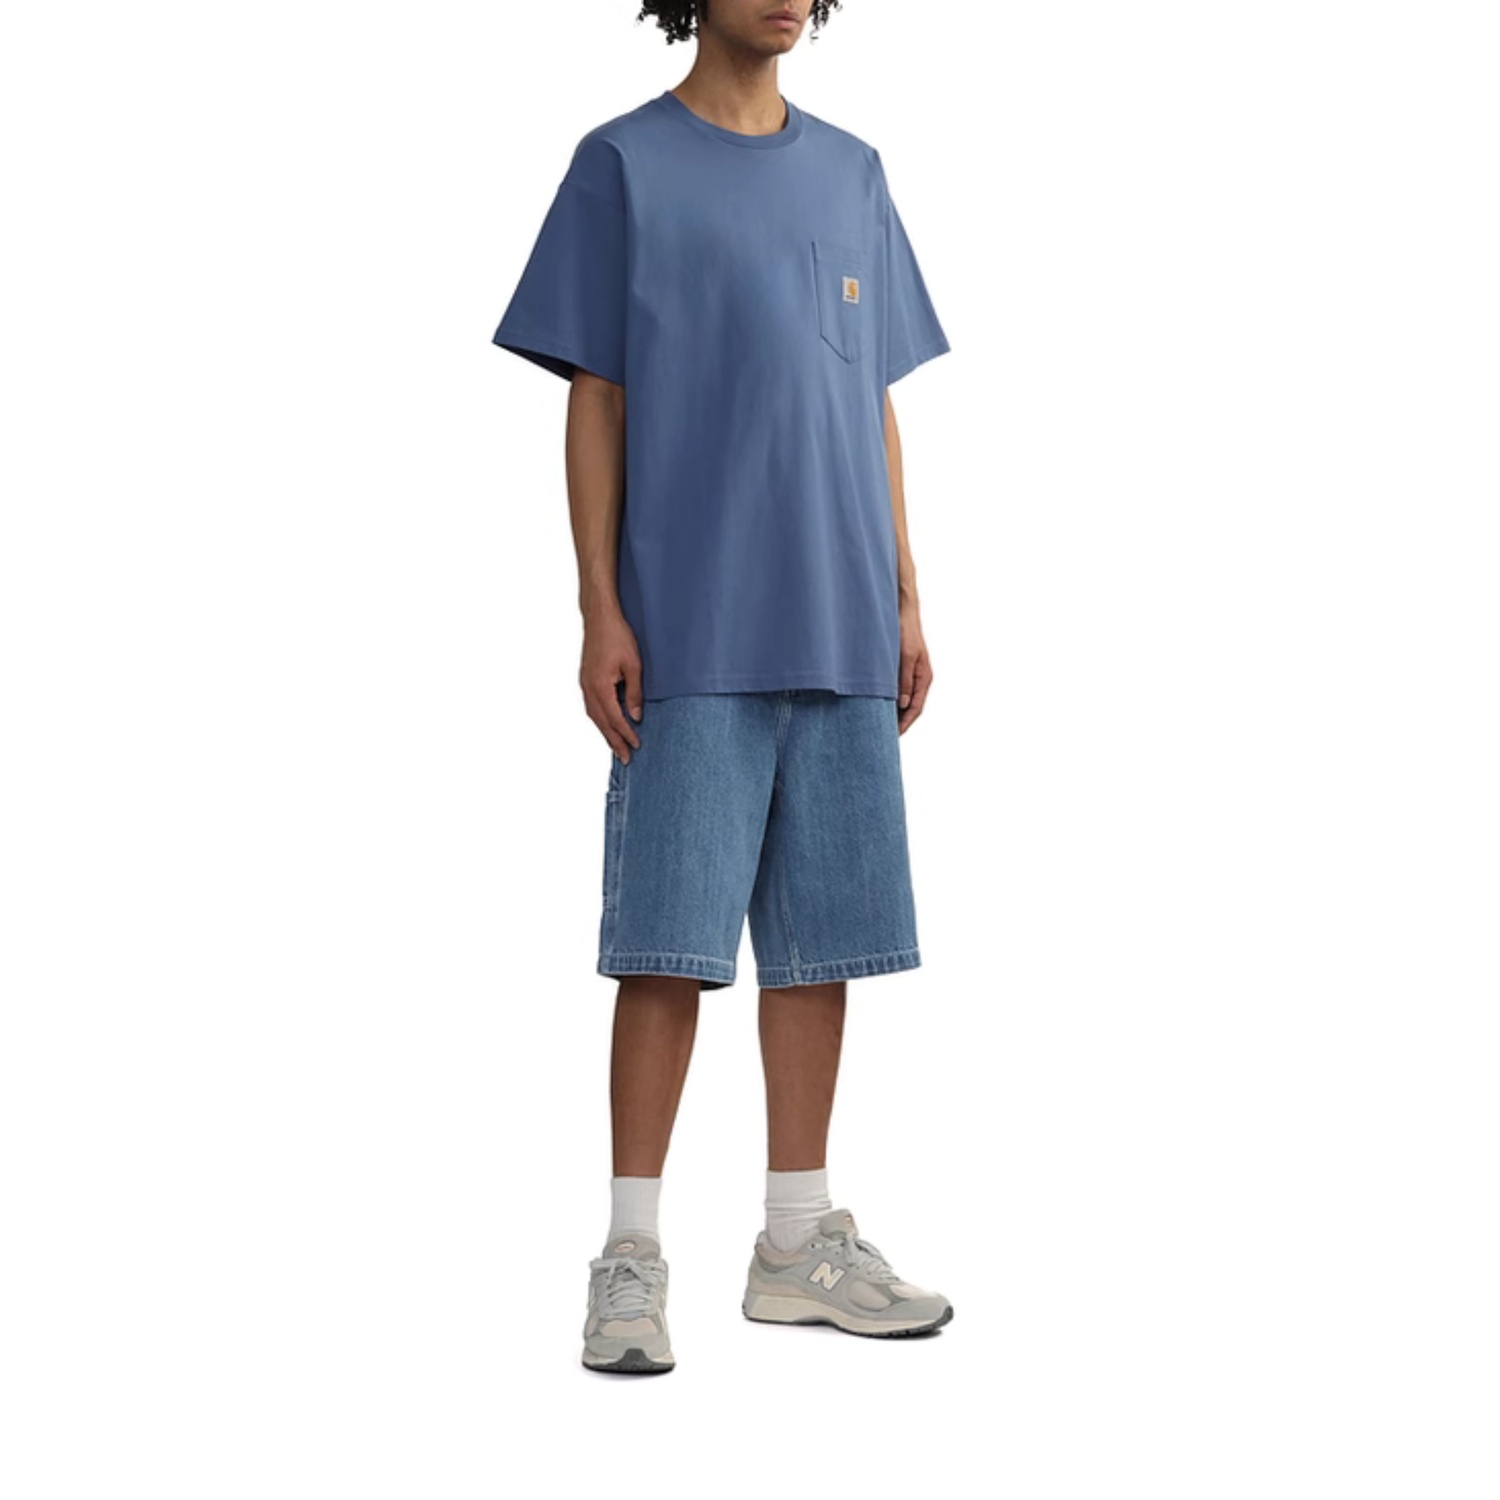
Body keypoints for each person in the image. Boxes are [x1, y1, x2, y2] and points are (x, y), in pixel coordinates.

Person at [491, 0, 953, 1375]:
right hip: (691, 624)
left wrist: (906, 591)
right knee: (667, 946)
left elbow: (873, 403)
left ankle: (797, 1244)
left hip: (839, 621)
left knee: (824, 945)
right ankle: (630, 1258)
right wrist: (600, 605)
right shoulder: (623, 163)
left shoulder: (853, 172)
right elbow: (596, 395)